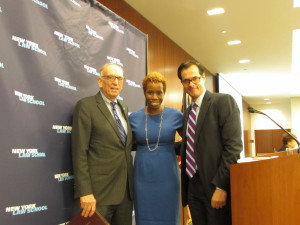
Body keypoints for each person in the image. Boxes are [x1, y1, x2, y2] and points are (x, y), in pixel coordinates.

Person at [177, 60, 243, 225]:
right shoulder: (187, 114)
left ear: (203, 77)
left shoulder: (223, 102)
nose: (191, 84)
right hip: (192, 186)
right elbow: (191, 146)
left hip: (215, 186)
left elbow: (233, 148)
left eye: (195, 78)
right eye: (186, 80)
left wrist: (221, 187)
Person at [71, 63, 133, 225]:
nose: (115, 82)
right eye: (110, 77)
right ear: (100, 81)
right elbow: (79, 152)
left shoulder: (124, 108)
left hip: (126, 195)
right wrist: (85, 192)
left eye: (119, 78)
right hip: (99, 196)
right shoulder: (86, 106)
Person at [129, 72, 183, 225]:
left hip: (168, 177)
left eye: (159, 92)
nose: (154, 97)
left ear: (164, 92)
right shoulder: (133, 118)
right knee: (144, 217)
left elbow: (192, 141)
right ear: (144, 93)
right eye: (150, 92)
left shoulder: (176, 116)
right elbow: (125, 145)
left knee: (169, 216)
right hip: (142, 176)